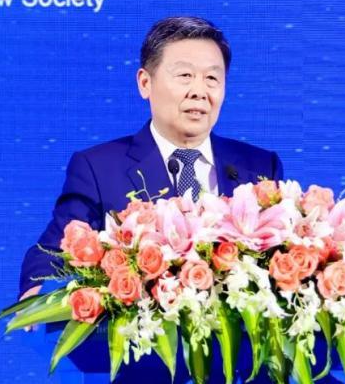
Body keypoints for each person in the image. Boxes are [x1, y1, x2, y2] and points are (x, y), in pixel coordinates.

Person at [19, 16, 284, 299]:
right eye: (185, 75)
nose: (199, 92)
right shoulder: (99, 169)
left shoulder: (259, 167)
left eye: (212, 78)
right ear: (145, 83)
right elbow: (53, 253)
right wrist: (37, 296)